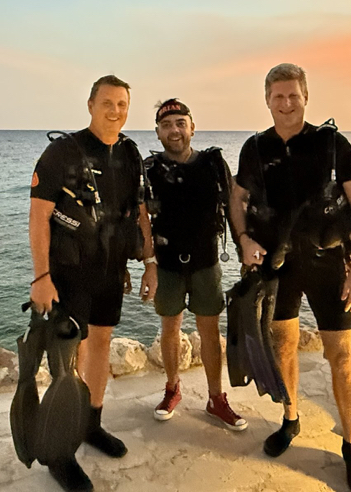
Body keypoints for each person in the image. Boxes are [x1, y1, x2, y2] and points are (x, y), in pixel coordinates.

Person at [229, 63, 351, 492]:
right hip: (279, 266)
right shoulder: (255, 148)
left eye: (294, 95)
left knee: (341, 357)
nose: (287, 103)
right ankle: (290, 418)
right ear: (267, 100)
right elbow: (237, 198)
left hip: (328, 264)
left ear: (306, 97)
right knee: (283, 346)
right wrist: (243, 239)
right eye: (278, 96)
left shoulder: (331, 143)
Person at [28, 75, 158, 491]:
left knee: (100, 343)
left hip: (110, 271)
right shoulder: (63, 152)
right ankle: (59, 453)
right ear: (90, 105)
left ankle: (91, 423)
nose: (115, 111)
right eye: (107, 103)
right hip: (69, 273)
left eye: (122, 104)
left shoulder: (130, 154)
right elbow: (38, 217)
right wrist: (41, 277)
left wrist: (149, 262)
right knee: (68, 358)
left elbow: (140, 212)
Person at [144, 98, 247, 430]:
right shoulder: (149, 169)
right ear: (158, 132)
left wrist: (244, 248)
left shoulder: (213, 164)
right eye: (166, 125)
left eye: (180, 123)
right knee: (170, 328)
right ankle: (172, 389)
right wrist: (146, 263)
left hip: (206, 261)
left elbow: (233, 206)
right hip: (166, 263)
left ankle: (216, 398)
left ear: (192, 127)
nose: (174, 130)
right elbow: (140, 219)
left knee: (210, 330)